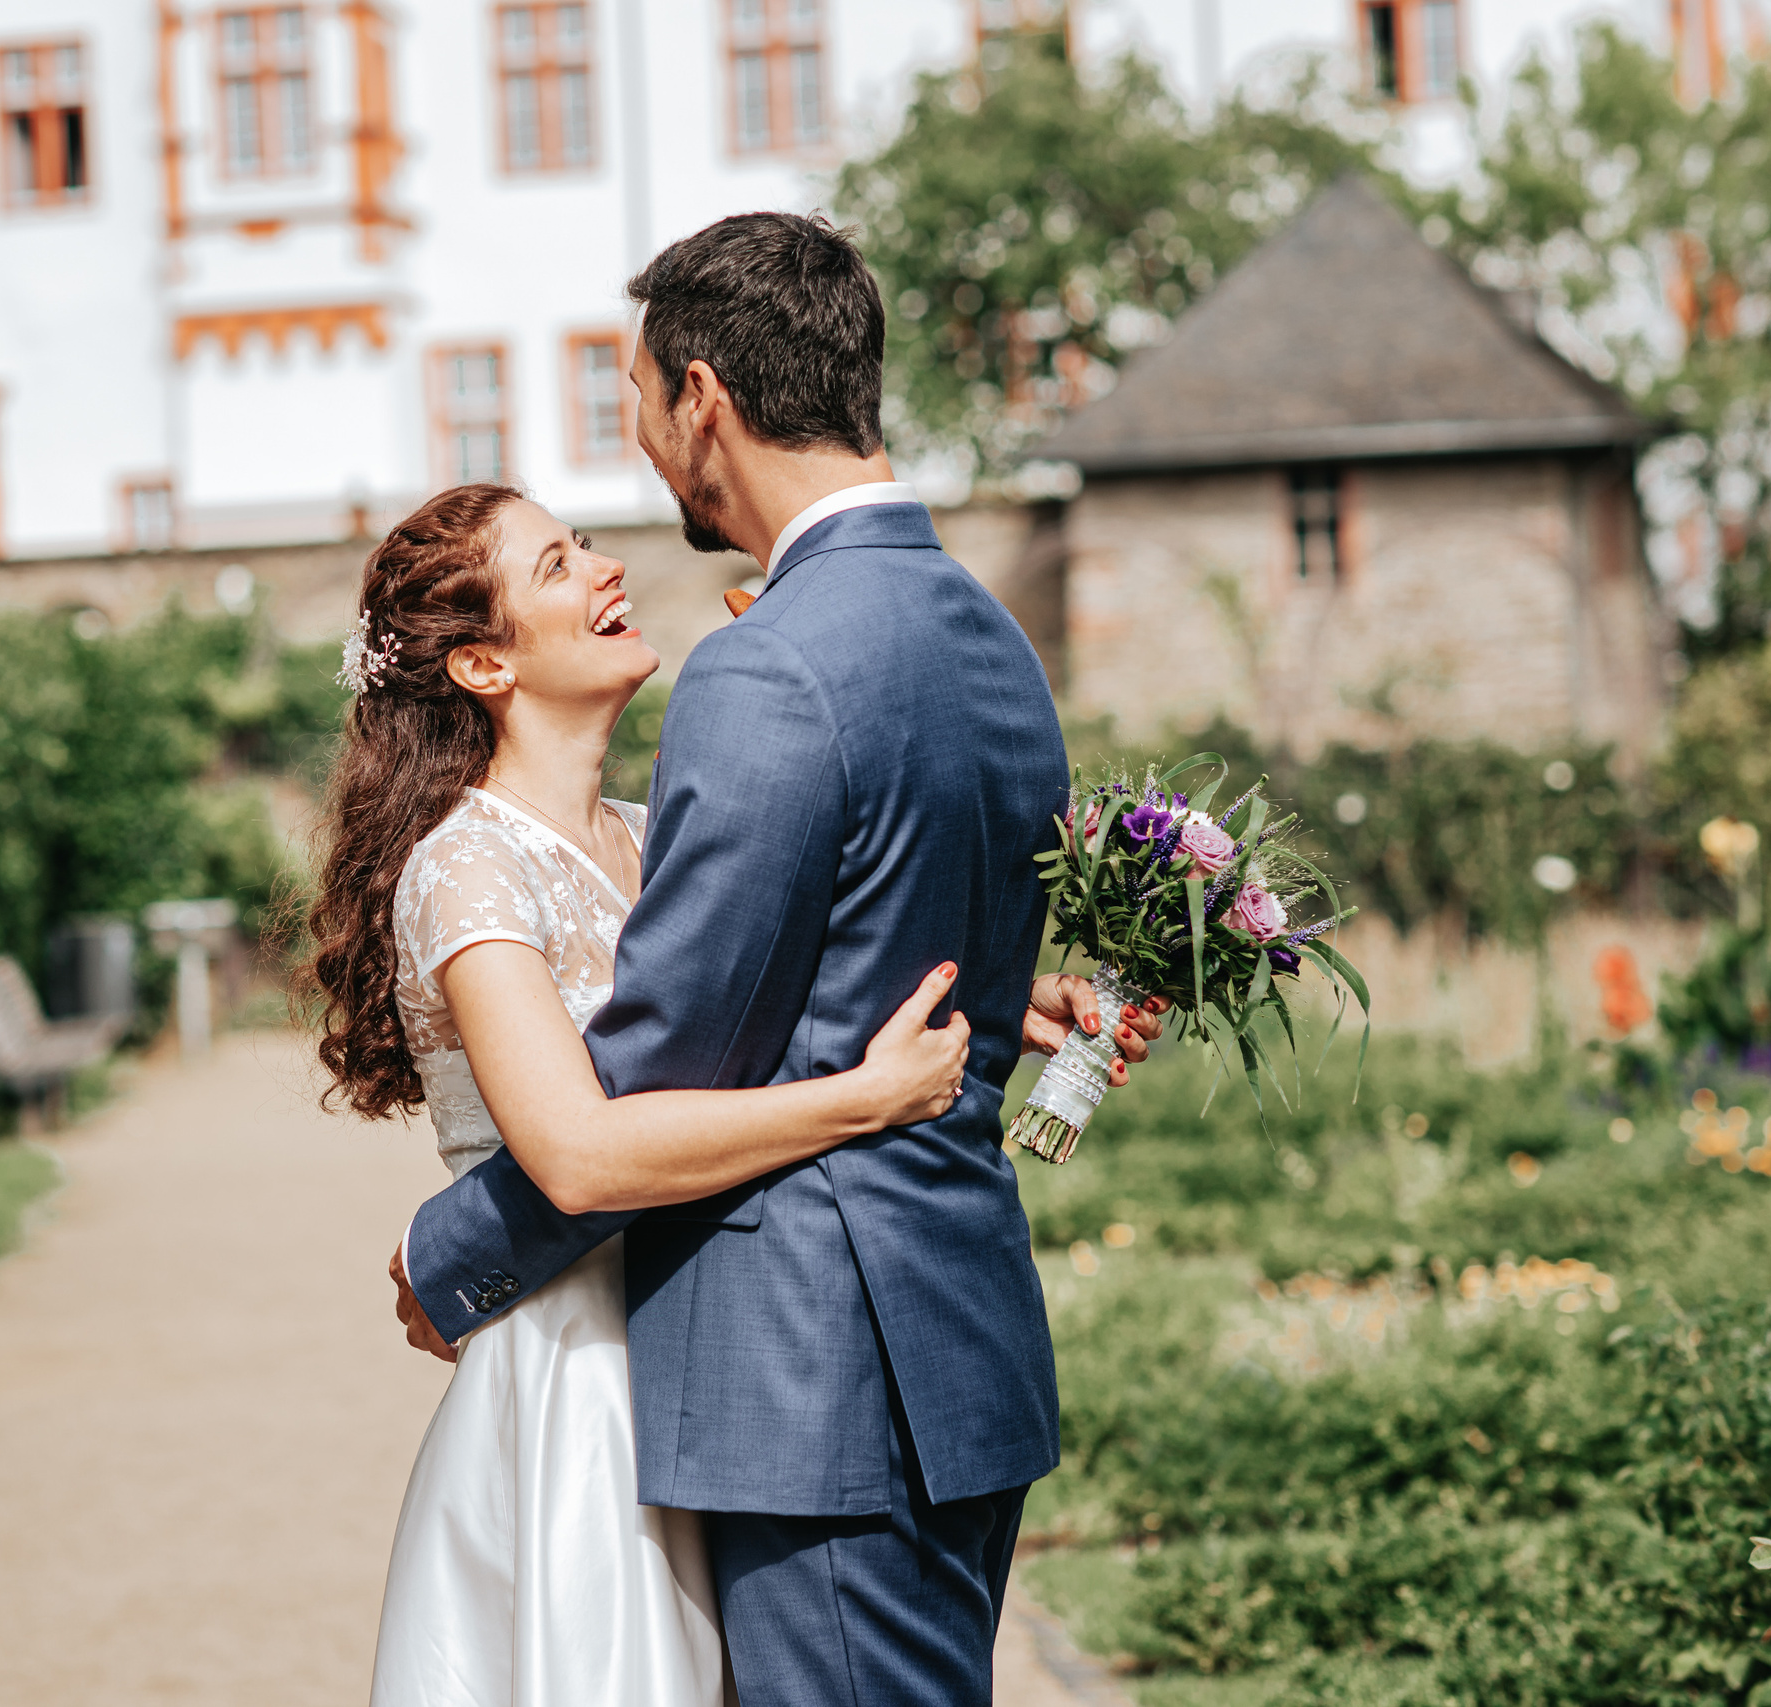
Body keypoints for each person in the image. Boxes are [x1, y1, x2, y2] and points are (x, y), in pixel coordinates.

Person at [378, 211, 1163, 1707]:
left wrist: (457, 1251)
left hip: (812, 1378)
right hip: (958, 1341)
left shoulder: (770, 665)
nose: (637, 453)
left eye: (634, 398)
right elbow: (892, 942)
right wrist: (1017, 1006)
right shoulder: (993, 638)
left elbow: (674, 1049)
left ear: (701, 399)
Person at [304, 480, 978, 1705]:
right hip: (583, 1380)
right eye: (557, 566)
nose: (606, 567)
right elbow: (576, 1158)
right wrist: (863, 1101)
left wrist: (1014, 993)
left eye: (585, 546)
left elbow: (801, 1001)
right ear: (484, 666)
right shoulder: (466, 866)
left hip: (725, 1341)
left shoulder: (655, 831)